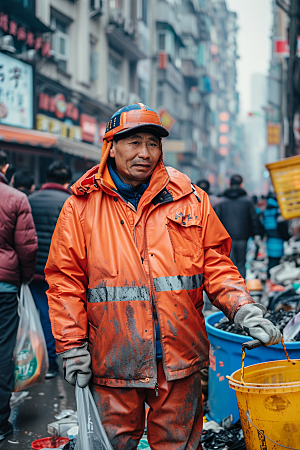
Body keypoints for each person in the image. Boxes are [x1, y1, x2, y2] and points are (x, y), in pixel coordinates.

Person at [45, 104, 281, 450]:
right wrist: (70, 346)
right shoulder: (81, 207)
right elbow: (65, 283)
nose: (145, 153)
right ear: (111, 146)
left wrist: (243, 308)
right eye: (134, 142)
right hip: (114, 357)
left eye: (153, 143)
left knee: (178, 445)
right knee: (113, 443)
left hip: (179, 358)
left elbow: (215, 263)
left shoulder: (191, 198)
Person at [0, 150, 37, 442]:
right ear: (6, 167)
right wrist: (24, 278)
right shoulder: (15, 198)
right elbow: (27, 247)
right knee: (3, 351)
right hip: (4, 286)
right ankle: (0, 421)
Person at [29, 161, 72, 378]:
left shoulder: (30, 200)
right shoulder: (70, 203)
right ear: (66, 181)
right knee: (59, 314)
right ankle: (53, 360)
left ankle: (44, 359)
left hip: (34, 269)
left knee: (40, 313)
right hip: (61, 270)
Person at [214, 174, 259, 278]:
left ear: (229, 183)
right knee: (241, 263)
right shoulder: (248, 201)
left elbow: (216, 222)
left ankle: (231, 289)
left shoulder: (221, 202)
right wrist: (256, 234)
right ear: (241, 184)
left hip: (226, 238)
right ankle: (241, 289)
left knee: (229, 264)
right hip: (243, 237)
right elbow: (254, 219)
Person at [262, 193, 289, 278]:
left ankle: (269, 279)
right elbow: (282, 228)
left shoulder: (266, 212)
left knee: (271, 261)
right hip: (277, 241)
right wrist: (287, 238)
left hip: (269, 240)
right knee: (276, 263)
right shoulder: (277, 212)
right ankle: (273, 281)